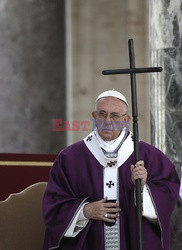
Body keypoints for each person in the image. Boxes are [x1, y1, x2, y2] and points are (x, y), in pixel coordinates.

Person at [42, 90, 180, 250]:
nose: (107, 121)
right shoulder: (70, 157)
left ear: (126, 120)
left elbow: (168, 196)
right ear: (94, 116)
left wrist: (143, 189)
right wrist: (85, 211)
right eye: (102, 114)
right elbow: (54, 202)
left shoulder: (149, 156)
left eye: (114, 115)